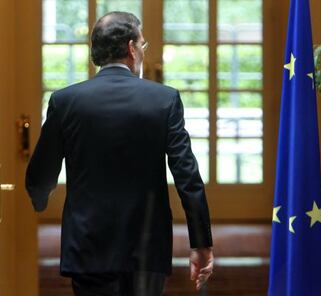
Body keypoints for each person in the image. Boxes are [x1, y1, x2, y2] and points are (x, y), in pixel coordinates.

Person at [25, 11, 213, 296]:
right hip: (146, 246)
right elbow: (187, 176)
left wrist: (39, 201)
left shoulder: (65, 101)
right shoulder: (164, 100)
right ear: (131, 48)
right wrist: (201, 244)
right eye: (143, 45)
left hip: (87, 245)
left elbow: (41, 174)